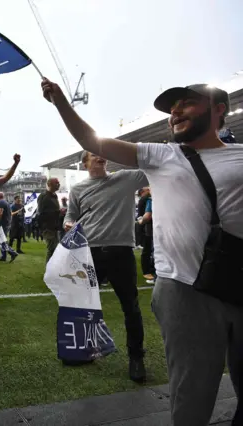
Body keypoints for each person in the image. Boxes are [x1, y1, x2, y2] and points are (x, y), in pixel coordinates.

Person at [41, 78, 242, 425]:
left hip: (240, 283)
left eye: (186, 103)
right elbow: (92, 141)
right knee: (192, 393)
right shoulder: (161, 155)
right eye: (170, 109)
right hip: (184, 291)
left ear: (218, 109)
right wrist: (61, 102)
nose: (174, 112)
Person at [62, 150, 148, 381]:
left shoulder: (126, 178)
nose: (100, 155)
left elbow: (153, 167)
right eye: (94, 154)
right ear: (85, 162)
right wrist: (68, 222)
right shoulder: (78, 189)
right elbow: (71, 214)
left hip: (121, 252)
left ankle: (137, 358)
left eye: (102, 152)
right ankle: (84, 350)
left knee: (130, 307)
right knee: (84, 307)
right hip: (90, 254)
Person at [37, 178, 61, 263]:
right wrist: (58, 212)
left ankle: (53, 270)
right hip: (47, 227)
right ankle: (49, 271)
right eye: (56, 183)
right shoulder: (43, 196)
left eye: (59, 183)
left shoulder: (54, 196)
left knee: (55, 250)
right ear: (50, 184)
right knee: (52, 249)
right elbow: (41, 213)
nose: (58, 184)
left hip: (55, 227)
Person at [137, 188, 155, 283]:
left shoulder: (144, 199)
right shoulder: (146, 200)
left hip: (147, 228)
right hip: (147, 228)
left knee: (149, 250)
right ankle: (147, 271)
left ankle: (149, 270)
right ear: (142, 192)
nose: (149, 190)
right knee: (147, 250)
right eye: (147, 189)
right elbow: (145, 216)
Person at [0, 192, 17, 262]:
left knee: (2, 241)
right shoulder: (6, 203)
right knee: (1, 240)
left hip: (1, 224)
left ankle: (12, 252)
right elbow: (10, 214)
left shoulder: (1, 203)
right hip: (6, 224)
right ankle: (3, 256)